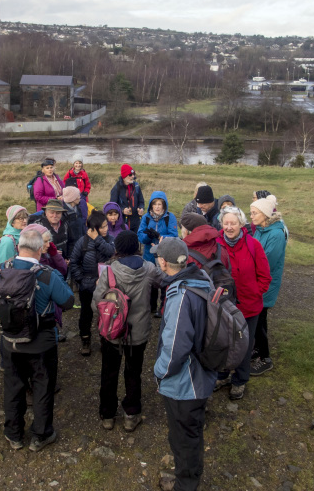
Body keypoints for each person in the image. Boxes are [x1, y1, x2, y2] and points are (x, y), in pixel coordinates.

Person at [0, 228, 75, 452]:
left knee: (13, 387)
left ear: (18, 247)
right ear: (39, 250)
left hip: (10, 340)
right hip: (42, 342)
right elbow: (67, 301)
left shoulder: (0, 270)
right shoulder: (46, 274)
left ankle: (14, 433)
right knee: (43, 386)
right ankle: (41, 434)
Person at [153, 237, 218, 491]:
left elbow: (176, 347)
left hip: (185, 383)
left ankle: (186, 484)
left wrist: (160, 372)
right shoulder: (201, 279)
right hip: (202, 372)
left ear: (162, 262)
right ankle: (186, 477)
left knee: (184, 437)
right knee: (190, 433)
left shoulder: (181, 294)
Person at [92, 230, 162, 431]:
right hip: (138, 332)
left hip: (112, 331)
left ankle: (107, 414)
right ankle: (131, 414)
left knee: (109, 371)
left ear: (117, 250)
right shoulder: (148, 268)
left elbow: (96, 302)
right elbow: (164, 280)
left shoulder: (109, 271)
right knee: (134, 372)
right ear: (137, 248)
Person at [214, 206, 271, 400]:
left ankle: (239, 380)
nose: (229, 227)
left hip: (249, 306)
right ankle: (221, 376)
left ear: (241, 224)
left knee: (244, 345)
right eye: (226, 223)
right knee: (222, 342)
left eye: (233, 223)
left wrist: (255, 292)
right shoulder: (216, 245)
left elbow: (265, 276)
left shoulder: (254, 245)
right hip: (223, 305)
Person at [248, 195, 287, 376]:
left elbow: (267, 262)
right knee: (255, 321)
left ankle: (265, 358)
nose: (252, 217)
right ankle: (256, 348)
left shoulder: (276, 234)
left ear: (264, 214)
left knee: (260, 321)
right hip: (255, 282)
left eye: (255, 213)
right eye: (251, 213)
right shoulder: (261, 230)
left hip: (265, 284)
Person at [69, 211, 115, 356]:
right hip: (87, 286)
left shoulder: (109, 240)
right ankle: (85, 340)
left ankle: (105, 339)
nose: (105, 229)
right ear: (93, 228)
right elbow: (74, 263)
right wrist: (82, 281)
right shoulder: (82, 242)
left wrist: (97, 239)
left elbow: (111, 253)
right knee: (86, 313)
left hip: (106, 285)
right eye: (102, 227)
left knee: (106, 313)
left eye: (106, 225)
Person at [137, 191, 179, 315]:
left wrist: (161, 237)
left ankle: (164, 307)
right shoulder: (146, 217)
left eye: (160, 204)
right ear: (151, 205)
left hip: (165, 254)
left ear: (164, 205)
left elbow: (174, 236)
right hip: (149, 254)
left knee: (165, 280)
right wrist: (148, 237)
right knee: (151, 280)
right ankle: (152, 306)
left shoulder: (169, 217)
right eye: (155, 204)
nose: (157, 207)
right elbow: (140, 236)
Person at [109, 164, 145, 232]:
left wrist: (141, 208)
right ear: (124, 176)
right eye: (130, 175)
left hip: (135, 220)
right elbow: (112, 205)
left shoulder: (136, 186)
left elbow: (141, 201)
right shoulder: (116, 188)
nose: (133, 177)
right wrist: (122, 210)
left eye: (133, 174)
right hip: (122, 221)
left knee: (135, 240)